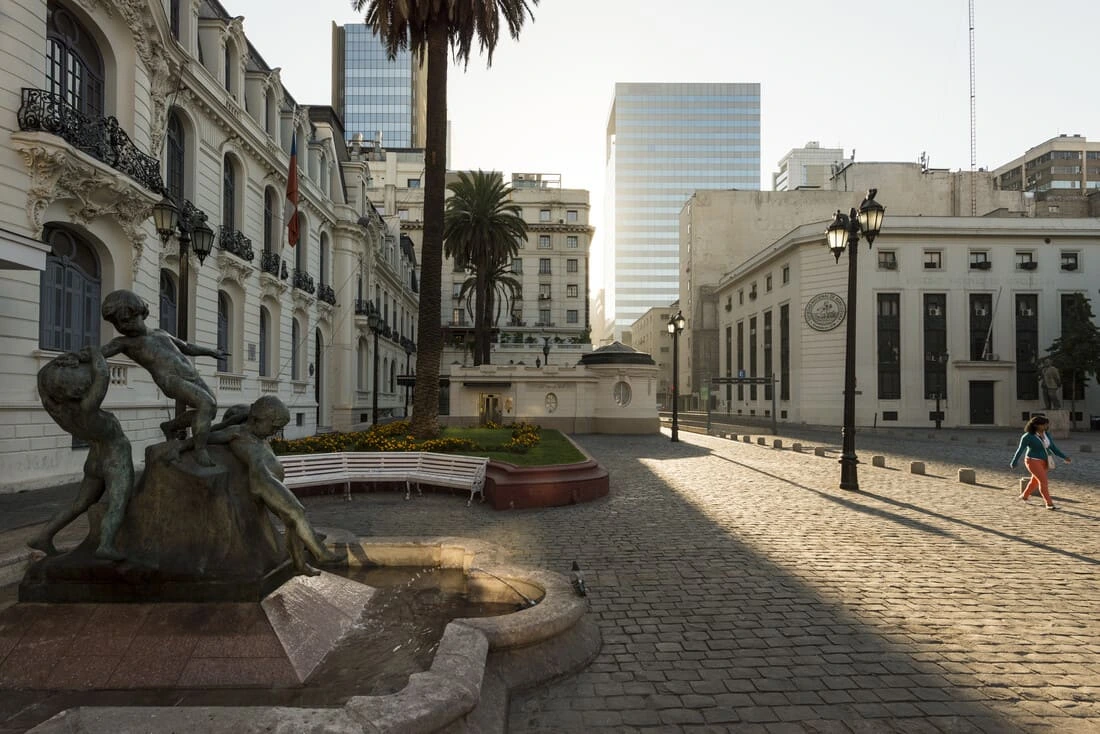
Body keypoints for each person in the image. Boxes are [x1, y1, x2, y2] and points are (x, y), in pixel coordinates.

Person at [183, 396, 337, 575]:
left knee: (291, 522)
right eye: (273, 427)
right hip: (262, 480)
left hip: (270, 480)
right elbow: (204, 437)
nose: (274, 432)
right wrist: (179, 446)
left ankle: (300, 565)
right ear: (257, 419)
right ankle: (321, 553)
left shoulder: (258, 435)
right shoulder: (237, 432)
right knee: (297, 512)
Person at [29, 347, 134, 560]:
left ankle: (44, 536)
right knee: (118, 502)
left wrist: (58, 366)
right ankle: (106, 544)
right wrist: (96, 354)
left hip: (94, 457)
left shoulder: (57, 409)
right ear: (79, 389)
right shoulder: (88, 407)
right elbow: (103, 376)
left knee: (80, 503)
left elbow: (41, 377)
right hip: (115, 455)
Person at [100, 290, 225, 467]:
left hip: (190, 374)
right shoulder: (124, 343)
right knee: (206, 404)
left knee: (210, 409)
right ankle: (200, 450)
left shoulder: (160, 332)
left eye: (126, 319)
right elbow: (99, 353)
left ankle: (171, 426)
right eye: (118, 324)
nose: (123, 326)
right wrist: (77, 358)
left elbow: (186, 347)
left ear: (140, 312)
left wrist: (211, 352)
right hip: (169, 379)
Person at [1010, 415, 1070, 510]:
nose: (1046, 426)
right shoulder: (1027, 436)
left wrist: (1064, 457)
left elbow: (1053, 448)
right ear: (1036, 425)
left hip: (1045, 461)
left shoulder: (1047, 435)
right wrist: (1014, 461)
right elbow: (1020, 450)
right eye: (1044, 424)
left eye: (1047, 424)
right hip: (1032, 461)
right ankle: (1049, 504)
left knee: (1034, 481)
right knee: (1043, 481)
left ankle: (1024, 496)